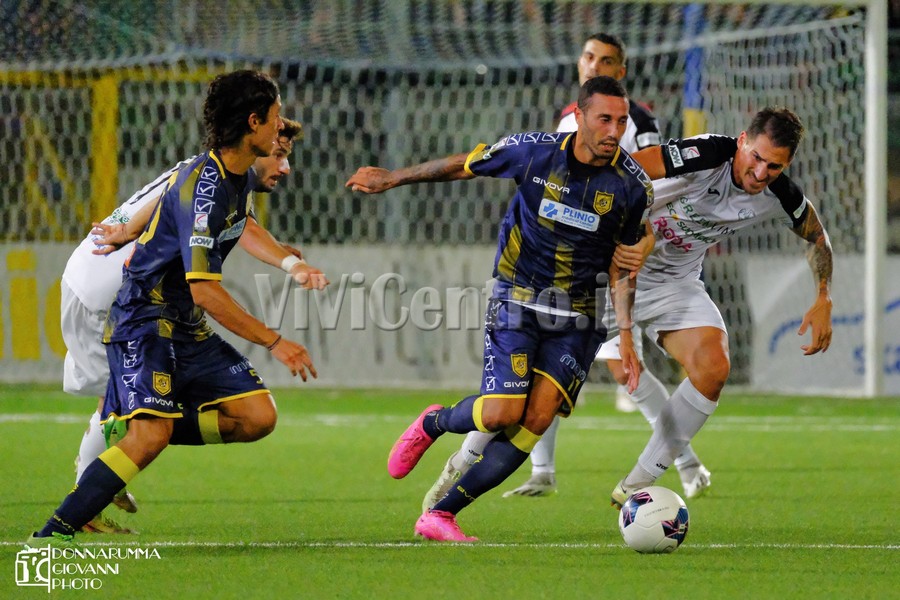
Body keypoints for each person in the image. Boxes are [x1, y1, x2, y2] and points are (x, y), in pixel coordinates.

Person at [427, 106, 833, 517]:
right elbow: (623, 171)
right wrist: (642, 231)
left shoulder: (781, 196)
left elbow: (818, 237)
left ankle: (635, 488)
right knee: (522, 396)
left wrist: (823, 297)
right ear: (743, 141)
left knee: (713, 367)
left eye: (774, 166)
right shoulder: (707, 154)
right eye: (756, 157)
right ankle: (461, 463)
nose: (761, 173)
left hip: (673, 283)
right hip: (606, 271)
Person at [347, 76, 654, 542]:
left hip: (580, 316)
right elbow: (463, 165)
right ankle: (434, 422)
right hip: (517, 298)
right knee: (499, 414)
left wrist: (626, 335)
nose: (614, 131)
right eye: (604, 119)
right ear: (579, 117)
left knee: (535, 421)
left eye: (622, 121)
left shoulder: (632, 187)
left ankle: (441, 515)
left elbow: (623, 265)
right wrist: (393, 178)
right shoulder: (534, 152)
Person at [29, 70, 317, 545]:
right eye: (279, 144)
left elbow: (230, 219)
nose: (284, 163)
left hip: (166, 311)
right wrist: (275, 339)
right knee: (138, 425)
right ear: (252, 124)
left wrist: (288, 261)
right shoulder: (208, 183)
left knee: (242, 416)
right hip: (122, 299)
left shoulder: (227, 176)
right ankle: (65, 522)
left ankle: (128, 434)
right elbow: (207, 274)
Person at [500, 31, 665, 499]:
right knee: (544, 369)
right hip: (566, 261)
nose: (594, 65)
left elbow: (653, 186)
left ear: (621, 72)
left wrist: (644, 240)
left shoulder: (640, 122)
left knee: (622, 368)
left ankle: (684, 460)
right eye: (589, 57)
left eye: (606, 60)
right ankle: (542, 471)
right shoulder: (568, 119)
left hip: (611, 259)